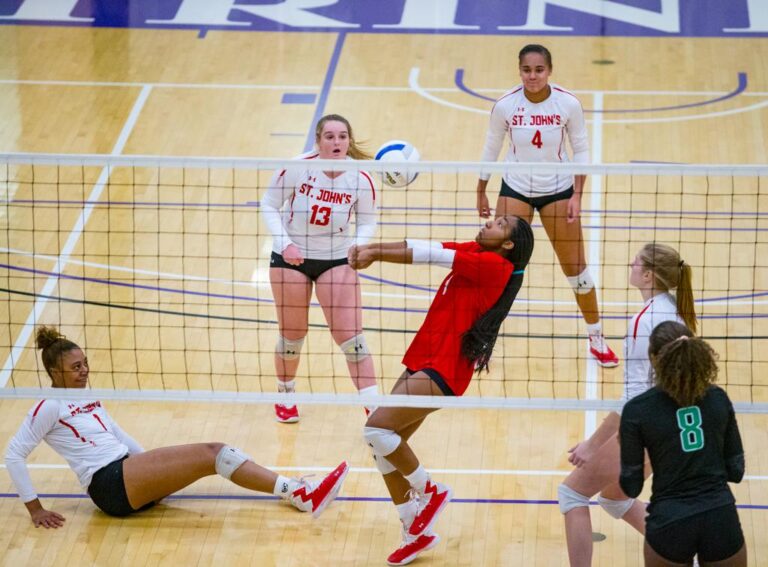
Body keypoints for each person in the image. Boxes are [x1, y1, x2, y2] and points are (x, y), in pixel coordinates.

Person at [4, 326, 349, 527]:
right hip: (109, 486)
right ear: (55, 373)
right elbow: (14, 455)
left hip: (126, 473)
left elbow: (115, 435)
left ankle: (296, 490)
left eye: (85, 363)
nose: (84, 370)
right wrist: (35, 508)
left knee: (209, 455)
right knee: (214, 453)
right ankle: (299, 494)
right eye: (76, 366)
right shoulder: (48, 405)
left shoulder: (86, 395)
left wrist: (150, 465)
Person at [349, 215, 535, 566]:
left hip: (444, 368)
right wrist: (373, 249)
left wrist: (373, 253)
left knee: (375, 429)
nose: (488, 223)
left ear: (508, 244)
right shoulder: (478, 249)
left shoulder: (494, 266)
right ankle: (413, 531)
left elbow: (432, 257)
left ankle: (430, 491)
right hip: (424, 355)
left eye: (499, 225)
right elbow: (426, 247)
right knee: (382, 446)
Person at [475, 43, 617, 367]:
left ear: (549, 70)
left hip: (558, 191)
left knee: (577, 272)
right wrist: (481, 189)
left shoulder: (567, 103)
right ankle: (480, 341)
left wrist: (578, 195)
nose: (533, 76)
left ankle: (596, 337)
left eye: (539, 70)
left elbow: (581, 149)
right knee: (496, 269)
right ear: (519, 71)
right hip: (516, 188)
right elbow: (491, 146)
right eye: (527, 70)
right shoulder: (505, 106)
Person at [558, 243, 697, 566]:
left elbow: (633, 399)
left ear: (647, 275)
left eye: (635, 262)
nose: (630, 264)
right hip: (671, 429)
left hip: (649, 429)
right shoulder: (674, 311)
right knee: (615, 499)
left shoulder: (645, 320)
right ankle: (683, 558)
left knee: (572, 495)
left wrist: (593, 445)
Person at [261, 113, 379, 423]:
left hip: (337, 257)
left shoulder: (360, 178)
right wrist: (284, 242)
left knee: (353, 339)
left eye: (342, 136)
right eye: (330, 136)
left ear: (349, 141)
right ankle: (285, 395)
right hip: (290, 257)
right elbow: (269, 204)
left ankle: (375, 409)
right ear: (319, 141)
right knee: (292, 335)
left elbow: (368, 220)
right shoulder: (298, 167)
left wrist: (358, 245)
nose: (337, 142)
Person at [620, 321, 746, 566]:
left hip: (670, 521)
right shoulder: (718, 398)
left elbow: (631, 487)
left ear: (654, 360)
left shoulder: (637, 410)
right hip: (719, 517)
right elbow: (736, 471)